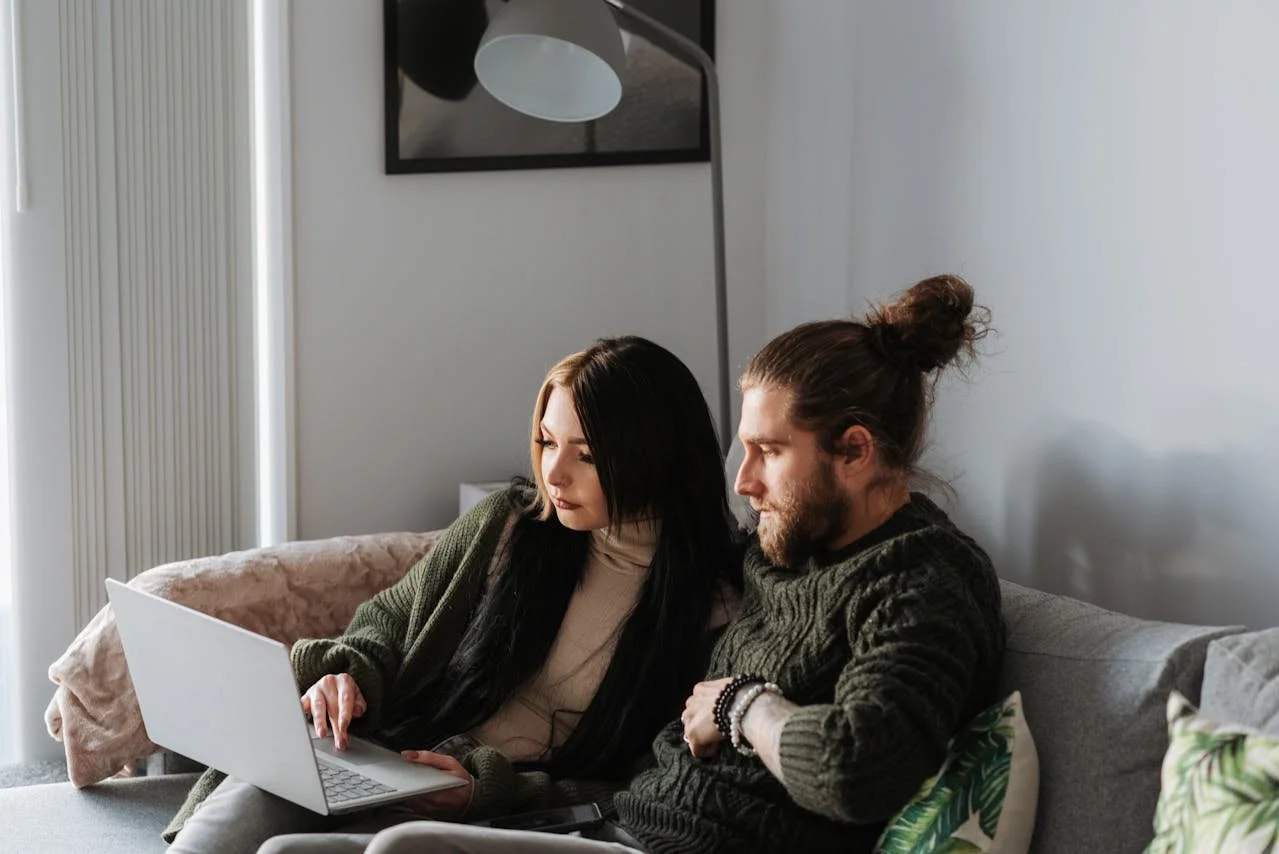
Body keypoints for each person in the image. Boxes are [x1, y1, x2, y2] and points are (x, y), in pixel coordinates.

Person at [356, 273, 1008, 853]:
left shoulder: (922, 581)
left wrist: (740, 703)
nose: (743, 482)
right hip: (618, 828)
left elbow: (856, 773)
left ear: (854, 451)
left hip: (671, 841)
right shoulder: (783, 558)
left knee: (402, 850)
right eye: (741, 452)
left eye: (769, 452)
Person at [163, 336, 740, 854]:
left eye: (586, 454)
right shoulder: (508, 526)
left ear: (658, 457)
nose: (554, 472)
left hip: (502, 816)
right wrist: (347, 677)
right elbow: (388, 619)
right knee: (260, 790)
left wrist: (482, 792)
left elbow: (649, 785)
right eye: (546, 441)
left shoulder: (711, 609)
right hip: (392, 754)